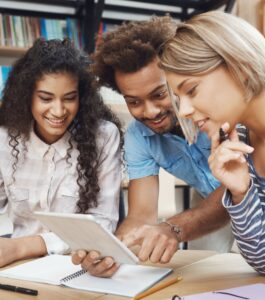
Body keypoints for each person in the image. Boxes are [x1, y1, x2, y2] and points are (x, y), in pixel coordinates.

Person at [72, 16, 232, 277]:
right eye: (134, 102)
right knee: (207, 274)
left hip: (256, 193)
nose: (150, 112)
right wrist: (111, 251)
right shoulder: (138, 137)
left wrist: (172, 227)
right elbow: (141, 217)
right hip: (206, 198)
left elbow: (236, 188)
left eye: (159, 94)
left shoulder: (216, 109)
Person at [160, 11, 265, 278]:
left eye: (191, 90)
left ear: (241, 66)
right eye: (178, 97)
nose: (183, 111)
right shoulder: (242, 142)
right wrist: (241, 193)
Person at [0, 38, 122, 267]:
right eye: (45, 98)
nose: (58, 111)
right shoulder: (5, 139)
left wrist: (21, 246)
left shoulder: (103, 137)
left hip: (79, 266)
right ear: (27, 96)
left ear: (82, 97)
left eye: (69, 98)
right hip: (17, 266)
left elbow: (103, 225)